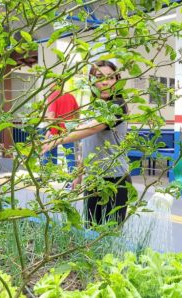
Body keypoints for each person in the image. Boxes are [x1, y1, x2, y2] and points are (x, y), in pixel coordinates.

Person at [41, 60, 132, 226]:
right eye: (99, 77)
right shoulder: (93, 109)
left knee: (109, 235)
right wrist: (79, 176)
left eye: (111, 78)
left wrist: (56, 140)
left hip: (115, 180)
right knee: (89, 232)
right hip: (92, 180)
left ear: (117, 81)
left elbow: (91, 129)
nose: (105, 82)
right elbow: (90, 146)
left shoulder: (119, 105)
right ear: (91, 81)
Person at [44, 81, 80, 170]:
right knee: (70, 156)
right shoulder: (70, 96)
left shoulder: (52, 96)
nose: (49, 86)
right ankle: (72, 181)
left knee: (49, 155)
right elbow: (77, 113)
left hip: (55, 131)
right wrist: (72, 125)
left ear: (55, 84)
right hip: (69, 131)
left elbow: (51, 115)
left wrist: (49, 129)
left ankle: (48, 177)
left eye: (50, 83)